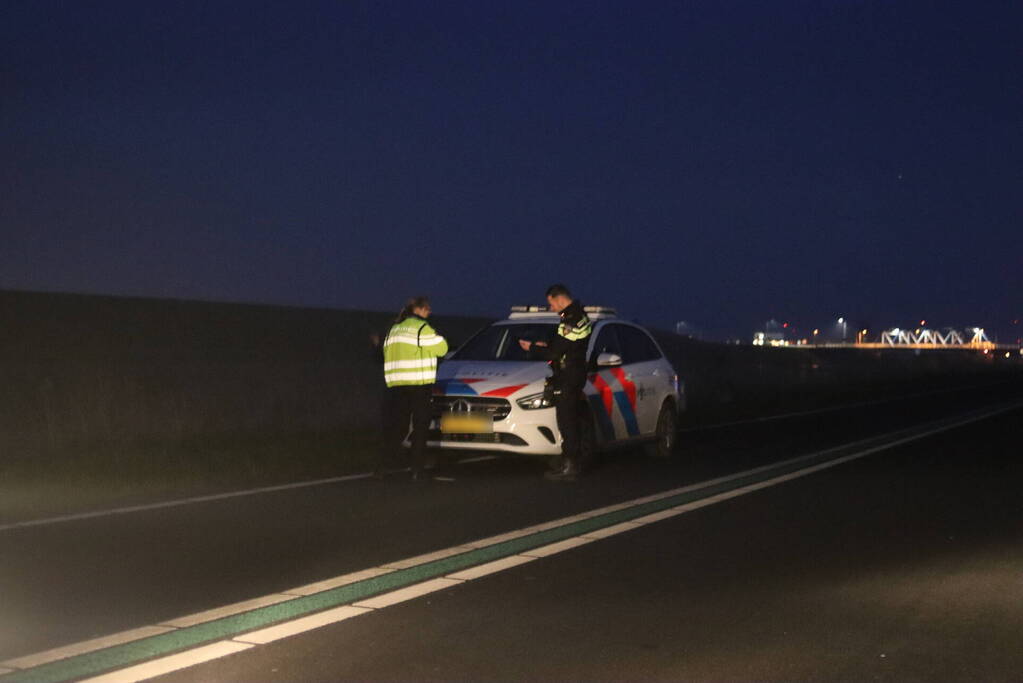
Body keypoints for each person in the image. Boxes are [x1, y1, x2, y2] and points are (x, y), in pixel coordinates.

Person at [518, 284, 593, 481]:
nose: (551, 308)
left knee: (567, 420)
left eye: (551, 303)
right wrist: (548, 345)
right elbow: (565, 346)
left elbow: (555, 353)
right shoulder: (578, 316)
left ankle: (570, 465)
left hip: (569, 375)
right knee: (569, 419)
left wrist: (532, 348)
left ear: (559, 299)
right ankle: (570, 461)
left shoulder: (571, 320)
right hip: (572, 373)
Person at [378, 296, 448, 479]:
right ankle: (417, 469)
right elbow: (442, 349)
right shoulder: (422, 329)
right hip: (418, 385)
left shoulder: (393, 329)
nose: (430, 312)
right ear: (419, 310)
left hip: (395, 385)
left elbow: (384, 353)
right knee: (420, 426)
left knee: (396, 426)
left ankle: (384, 466)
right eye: (428, 309)